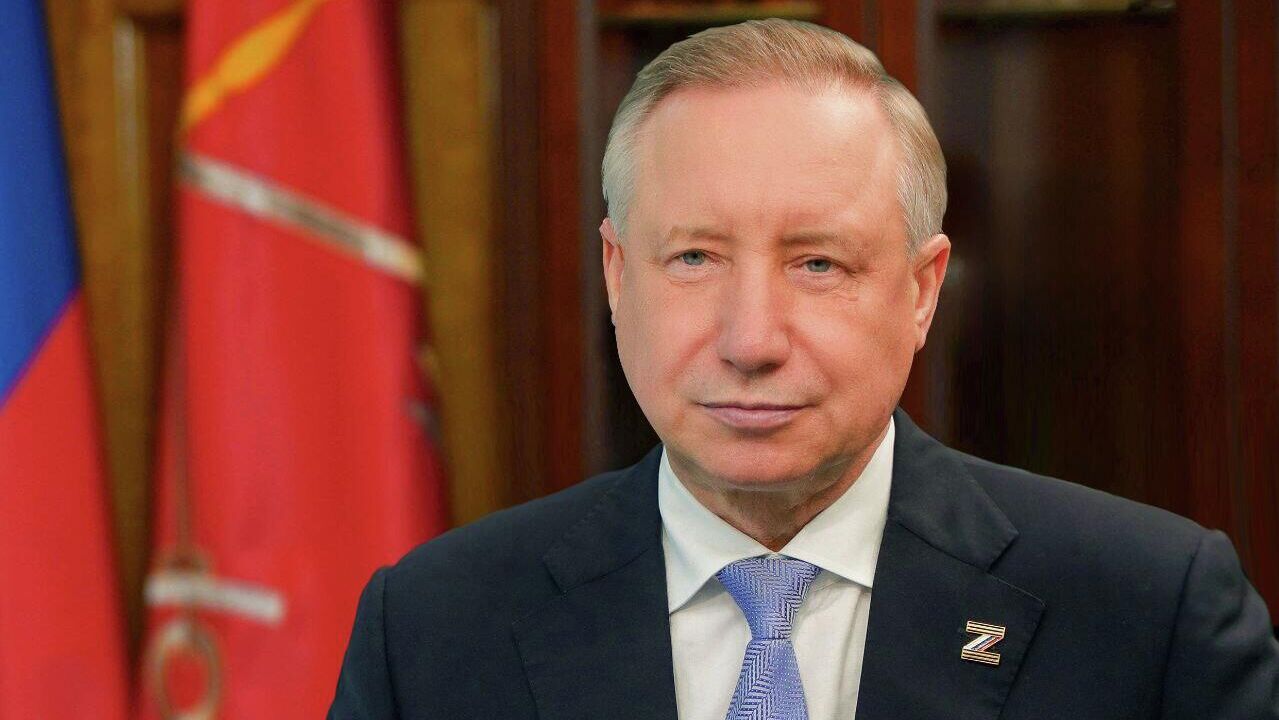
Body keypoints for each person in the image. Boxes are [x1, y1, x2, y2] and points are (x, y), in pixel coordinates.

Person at [328, 19, 1279, 719]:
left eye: (816, 264)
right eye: (693, 257)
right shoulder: (431, 629)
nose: (751, 340)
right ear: (617, 275)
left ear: (921, 290)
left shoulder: (1147, 613)